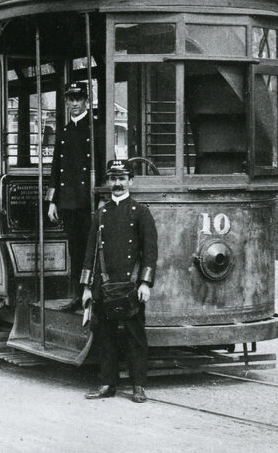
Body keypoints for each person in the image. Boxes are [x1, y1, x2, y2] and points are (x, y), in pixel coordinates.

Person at [80, 159, 158, 403]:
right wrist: (86, 288)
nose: (117, 183)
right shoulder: (101, 214)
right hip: (104, 285)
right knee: (106, 337)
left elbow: (150, 251)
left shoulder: (141, 212)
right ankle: (107, 384)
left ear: (130, 182)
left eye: (122, 179)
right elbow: (91, 253)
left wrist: (145, 283)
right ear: (108, 182)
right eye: (113, 179)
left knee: (136, 336)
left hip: (131, 286)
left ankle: (138, 386)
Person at [46, 81, 102, 309]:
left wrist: (101, 199)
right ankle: (79, 296)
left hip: (89, 202)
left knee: (92, 252)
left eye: (78, 99)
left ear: (86, 101)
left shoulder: (96, 129)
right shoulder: (65, 131)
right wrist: (52, 201)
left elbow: (105, 163)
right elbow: (56, 168)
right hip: (69, 203)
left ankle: (94, 296)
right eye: (70, 99)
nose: (74, 104)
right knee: (76, 251)